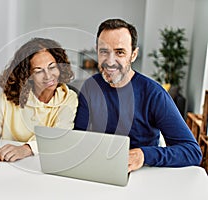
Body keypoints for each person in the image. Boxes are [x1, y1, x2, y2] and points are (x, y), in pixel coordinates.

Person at [74, 18, 202, 172]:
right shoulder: (90, 88)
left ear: (133, 55)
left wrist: (144, 155)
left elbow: (192, 152)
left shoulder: (154, 93)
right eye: (104, 52)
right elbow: (79, 140)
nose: (110, 61)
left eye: (120, 52)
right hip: (99, 172)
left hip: (141, 175)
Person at [0, 37, 78, 162]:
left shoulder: (69, 98)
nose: (48, 76)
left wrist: (26, 149)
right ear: (28, 76)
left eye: (52, 67)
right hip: (6, 165)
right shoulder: (9, 98)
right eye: (38, 71)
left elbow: (59, 135)